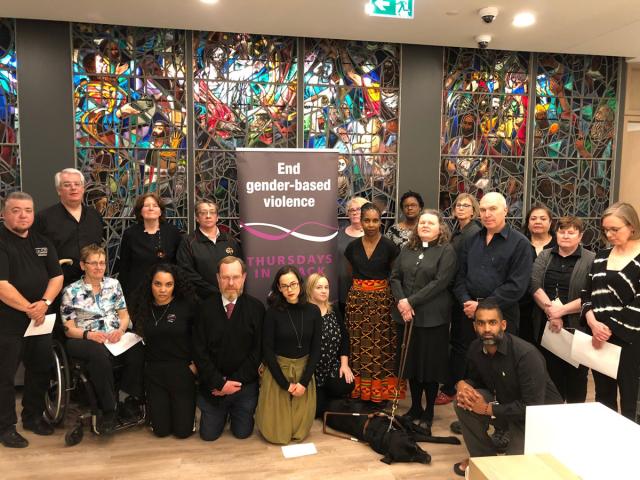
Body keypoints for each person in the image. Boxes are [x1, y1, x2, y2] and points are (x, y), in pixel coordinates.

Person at [452, 299, 562, 477]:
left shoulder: (526, 355)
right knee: (462, 402)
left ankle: (507, 459)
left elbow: (533, 407)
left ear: (503, 325)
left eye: (492, 322)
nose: (487, 329)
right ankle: (483, 460)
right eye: (481, 323)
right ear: (475, 327)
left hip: (538, 420)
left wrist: (489, 409)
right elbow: (476, 381)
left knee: (511, 473)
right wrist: (462, 384)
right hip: (507, 407)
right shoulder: (475, 349)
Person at [0, 192, 63, 448]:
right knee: (4, 376)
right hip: (8, 322)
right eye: (16, 210)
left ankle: (33, 416)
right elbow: (2, 286)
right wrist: (30, 308)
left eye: (27, 210)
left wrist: (45, 304)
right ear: (4, 213)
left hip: (39, 321)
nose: (23, 215)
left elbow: (56, 277)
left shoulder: (43, 242)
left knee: (39, 369)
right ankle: (5, 426)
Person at [61, 244, 144, 434]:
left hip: (114, 336)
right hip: (84, 338)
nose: (99, 267)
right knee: (98, 353)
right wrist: (89, 335)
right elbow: (68, 329)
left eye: (102, 263)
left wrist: (121, 330)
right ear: (83, 265)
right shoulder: (70, 291)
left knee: (138, 346)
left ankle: (127, 399)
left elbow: (124, 315)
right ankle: (109, 409)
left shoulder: (113, 285)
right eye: (93, 263)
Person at [390, 209, 457, 429]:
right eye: (422, 223)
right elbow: (395, 276)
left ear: (440, 228)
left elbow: (440, 282)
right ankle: (415, 407)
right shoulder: (408, 249)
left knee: (429, 367)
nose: (425, 226)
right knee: (411, 365)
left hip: (432, 319)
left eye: (430, 223)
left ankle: (428, 412)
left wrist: (411, 302)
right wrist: (402, 301)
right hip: (407, 317)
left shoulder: (446, 250)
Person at [192, 256, 264, 441]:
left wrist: (233, 384)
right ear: (218, 278)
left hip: (244, 386)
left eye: (236, 277)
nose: (231, 283)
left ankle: (235, 412)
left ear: (244, 278)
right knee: (208, 436)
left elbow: (257, 353)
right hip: (213, 387)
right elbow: (199, 352)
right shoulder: (203, 309)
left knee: (242, 434)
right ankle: (222, 413)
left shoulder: (256, 309)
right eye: (225, 277)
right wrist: (220, 384)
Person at [582, 202, 640, 420]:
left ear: (632, 226)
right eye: (605, 229)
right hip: (599, 337)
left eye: (615, 229)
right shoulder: (602, 255)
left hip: (631, 340)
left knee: (631, 398)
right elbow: (586, 293)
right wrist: (592, 323)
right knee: (603, 397)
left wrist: (609, 328)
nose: (609, 234)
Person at [129, 263, 197, 438]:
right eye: (157, 284)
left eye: (168, 284)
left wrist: (195, 366)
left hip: (182, 371)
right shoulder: (141, 308)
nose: (163, 290)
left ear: (175, 285)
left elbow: (200, 339)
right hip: (155, 373)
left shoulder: (187, 306)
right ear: (150, 284)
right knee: (161, 431)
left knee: (183, 433)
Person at [531, 217, 594, 403]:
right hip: (548, 327)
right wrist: (551, 313)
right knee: (551, 380)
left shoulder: (591, 259)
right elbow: (534, 284)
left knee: (576, 381)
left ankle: (573, 424)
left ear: (580, 236)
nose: (565, 235)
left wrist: (562, 311)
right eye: (562, 231)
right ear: (555, 233)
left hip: (578, 329)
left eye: (571, 232)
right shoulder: (545, 255)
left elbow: (591, 293)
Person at [255, 266, 321, 444]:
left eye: (293, 284)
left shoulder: (313, 311)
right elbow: (267, 350)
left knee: (299, 430)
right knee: (276, 432)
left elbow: (316, 350)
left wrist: (304, 382)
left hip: (304, 370)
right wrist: (285, 384)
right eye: (284, 286)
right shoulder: (272, 313)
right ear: (278, 287)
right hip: (278, 371)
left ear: (300, 283)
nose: (289, 290)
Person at [453, 192, 532, 336]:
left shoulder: (520, 243)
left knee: (500, 357)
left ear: (505, 210)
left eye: (493, 209)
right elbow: (459, 277)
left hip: (502, 316)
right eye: (483, 210)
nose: (487, 214)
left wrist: (482, 306)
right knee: (469, 356)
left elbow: (516, 286)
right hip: (469, 315)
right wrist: (466, 302)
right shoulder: (471, 241)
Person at [344, 202, 401, 403]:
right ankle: (360, 391)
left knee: (382, 345)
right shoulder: (352, 247)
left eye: (375, 220)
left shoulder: (390, 246)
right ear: (360, 220)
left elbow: (395, 275)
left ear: (381, 221)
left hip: (382, 304)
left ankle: (381, 393)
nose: (370, 224)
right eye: (366, 220)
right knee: (358, 344)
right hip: (358, 303)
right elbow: (351, 273)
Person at [437, 193, 481, 405]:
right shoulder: (459, 230)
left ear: (474, 211)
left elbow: (469, 268)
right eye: (458, 205)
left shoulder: (475, 233)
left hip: (466, 296)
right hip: (456, 294)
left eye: (466, 205)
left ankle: (454, 387)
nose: (461, 208)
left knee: (462, 344)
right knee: (457, 343)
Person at [34, 168, 104, 286]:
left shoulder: (95, 216)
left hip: (91, 283)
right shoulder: (44, 218)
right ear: (58, 190)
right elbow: (36, 251)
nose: (73, 188)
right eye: (67, 185)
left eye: (77, 184)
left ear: (83, 188)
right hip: (56, 284)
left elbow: (99, 247)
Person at [305, 273, 354, 418]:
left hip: (331, 366)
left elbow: (345, 338)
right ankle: (322, 397)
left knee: (347, 384)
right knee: (317, 413)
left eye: (326, 287)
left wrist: (344, 365)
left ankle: (328, 394)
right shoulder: (305, 312)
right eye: (319, 287)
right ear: (310, 290)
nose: (324, 291)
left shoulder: (334, 310)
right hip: (311, 372)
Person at [117, 193, 182, 299]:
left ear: (160, 211)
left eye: (155, 205)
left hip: (166, 293)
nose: (151, 208)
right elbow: (124, 267)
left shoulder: (173, 232)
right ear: (140, 211)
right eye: (146, 206)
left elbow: (178, 265)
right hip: (137, 292)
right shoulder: (130, 234)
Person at [177, 200, 242, 300]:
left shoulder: (230, 240)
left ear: (217, 217)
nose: (208, 216)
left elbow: (240, 269)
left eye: (212, 212)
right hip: (201, 300)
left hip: (229, 298)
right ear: (197, 218)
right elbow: (187, 272)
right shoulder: (188, 242)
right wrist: (214, 291)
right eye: (203, 213)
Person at [520, 204, 556, 344]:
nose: (538, 222)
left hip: (551, 306)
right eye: (533, 218)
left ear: (550, 222)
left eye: (542, 218)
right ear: (528, 223)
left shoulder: (559, 245)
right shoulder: (520, 244)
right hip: (523, 306)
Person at [336, 197, 367, 313]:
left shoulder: (373, 235)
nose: (354, 212)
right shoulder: (339, 235)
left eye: (358, 209)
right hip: (343, 290)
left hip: (366, 292)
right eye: (351, 210)